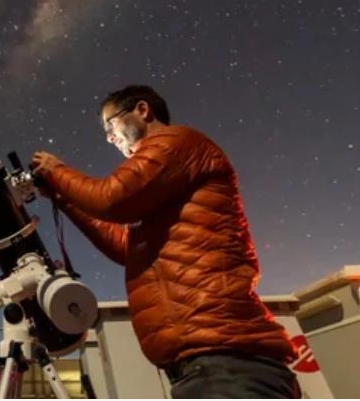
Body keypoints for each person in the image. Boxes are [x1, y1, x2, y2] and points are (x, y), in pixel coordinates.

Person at [29, 85, 301, 399]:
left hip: (226, 364)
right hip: (207, 364)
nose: (108, 136)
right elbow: (126, 246)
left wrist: (57, 171)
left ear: (142, 110)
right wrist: (64, 197)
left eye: (110, 124)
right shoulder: (164, 183)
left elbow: (112, 199)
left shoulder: (175, 143)